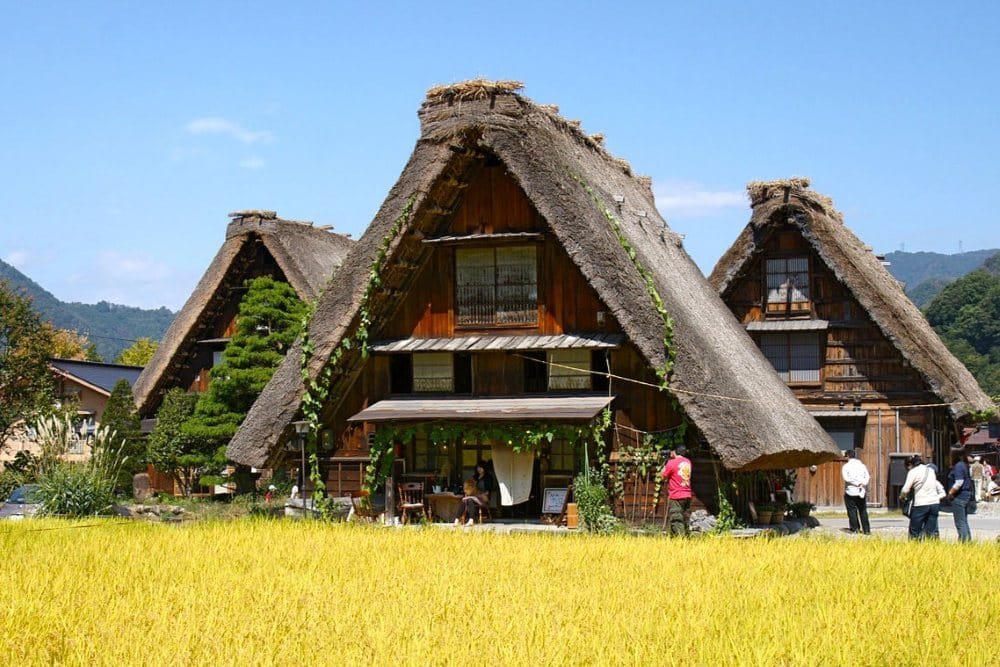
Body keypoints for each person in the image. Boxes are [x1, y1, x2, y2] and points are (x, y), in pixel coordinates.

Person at [899, 455, 940, 540]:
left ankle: (915, 550)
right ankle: (933, 551)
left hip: (921, 504)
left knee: (914, 531)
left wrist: (901, 496)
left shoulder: (913, 472)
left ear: (910, 464)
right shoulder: (930, 470)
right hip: (934, 503)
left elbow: (906, 489)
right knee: (931, 531)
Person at [660, 444, 693, 536]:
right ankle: (685, 538)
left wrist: (665, 462)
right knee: (685, 519)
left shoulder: (671, 463)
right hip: (687, 495)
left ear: (675, 451)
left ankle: (680, 541)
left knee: (676, 519)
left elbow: (662, 476)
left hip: (676, 496)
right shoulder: (688, 462)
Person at [946, 451, 975, 542]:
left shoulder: (958, 466)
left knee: (960, 522)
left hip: (959, 496)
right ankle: (967, 540)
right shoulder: (964, 465)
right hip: (966, 494)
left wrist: (950, 493)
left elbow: (959, 482)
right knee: (963, 520)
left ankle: (964, 541)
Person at [841, 450, 870, 534]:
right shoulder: (862, 465)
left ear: (847, 456)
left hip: (850, 490)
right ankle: (867, 530)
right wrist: (863, 483)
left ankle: (855, 528)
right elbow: (867, 476)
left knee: (852, 510)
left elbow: (846, 478)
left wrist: (856, 483)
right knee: (863, 510)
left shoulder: (846, 466)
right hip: (861, 490)